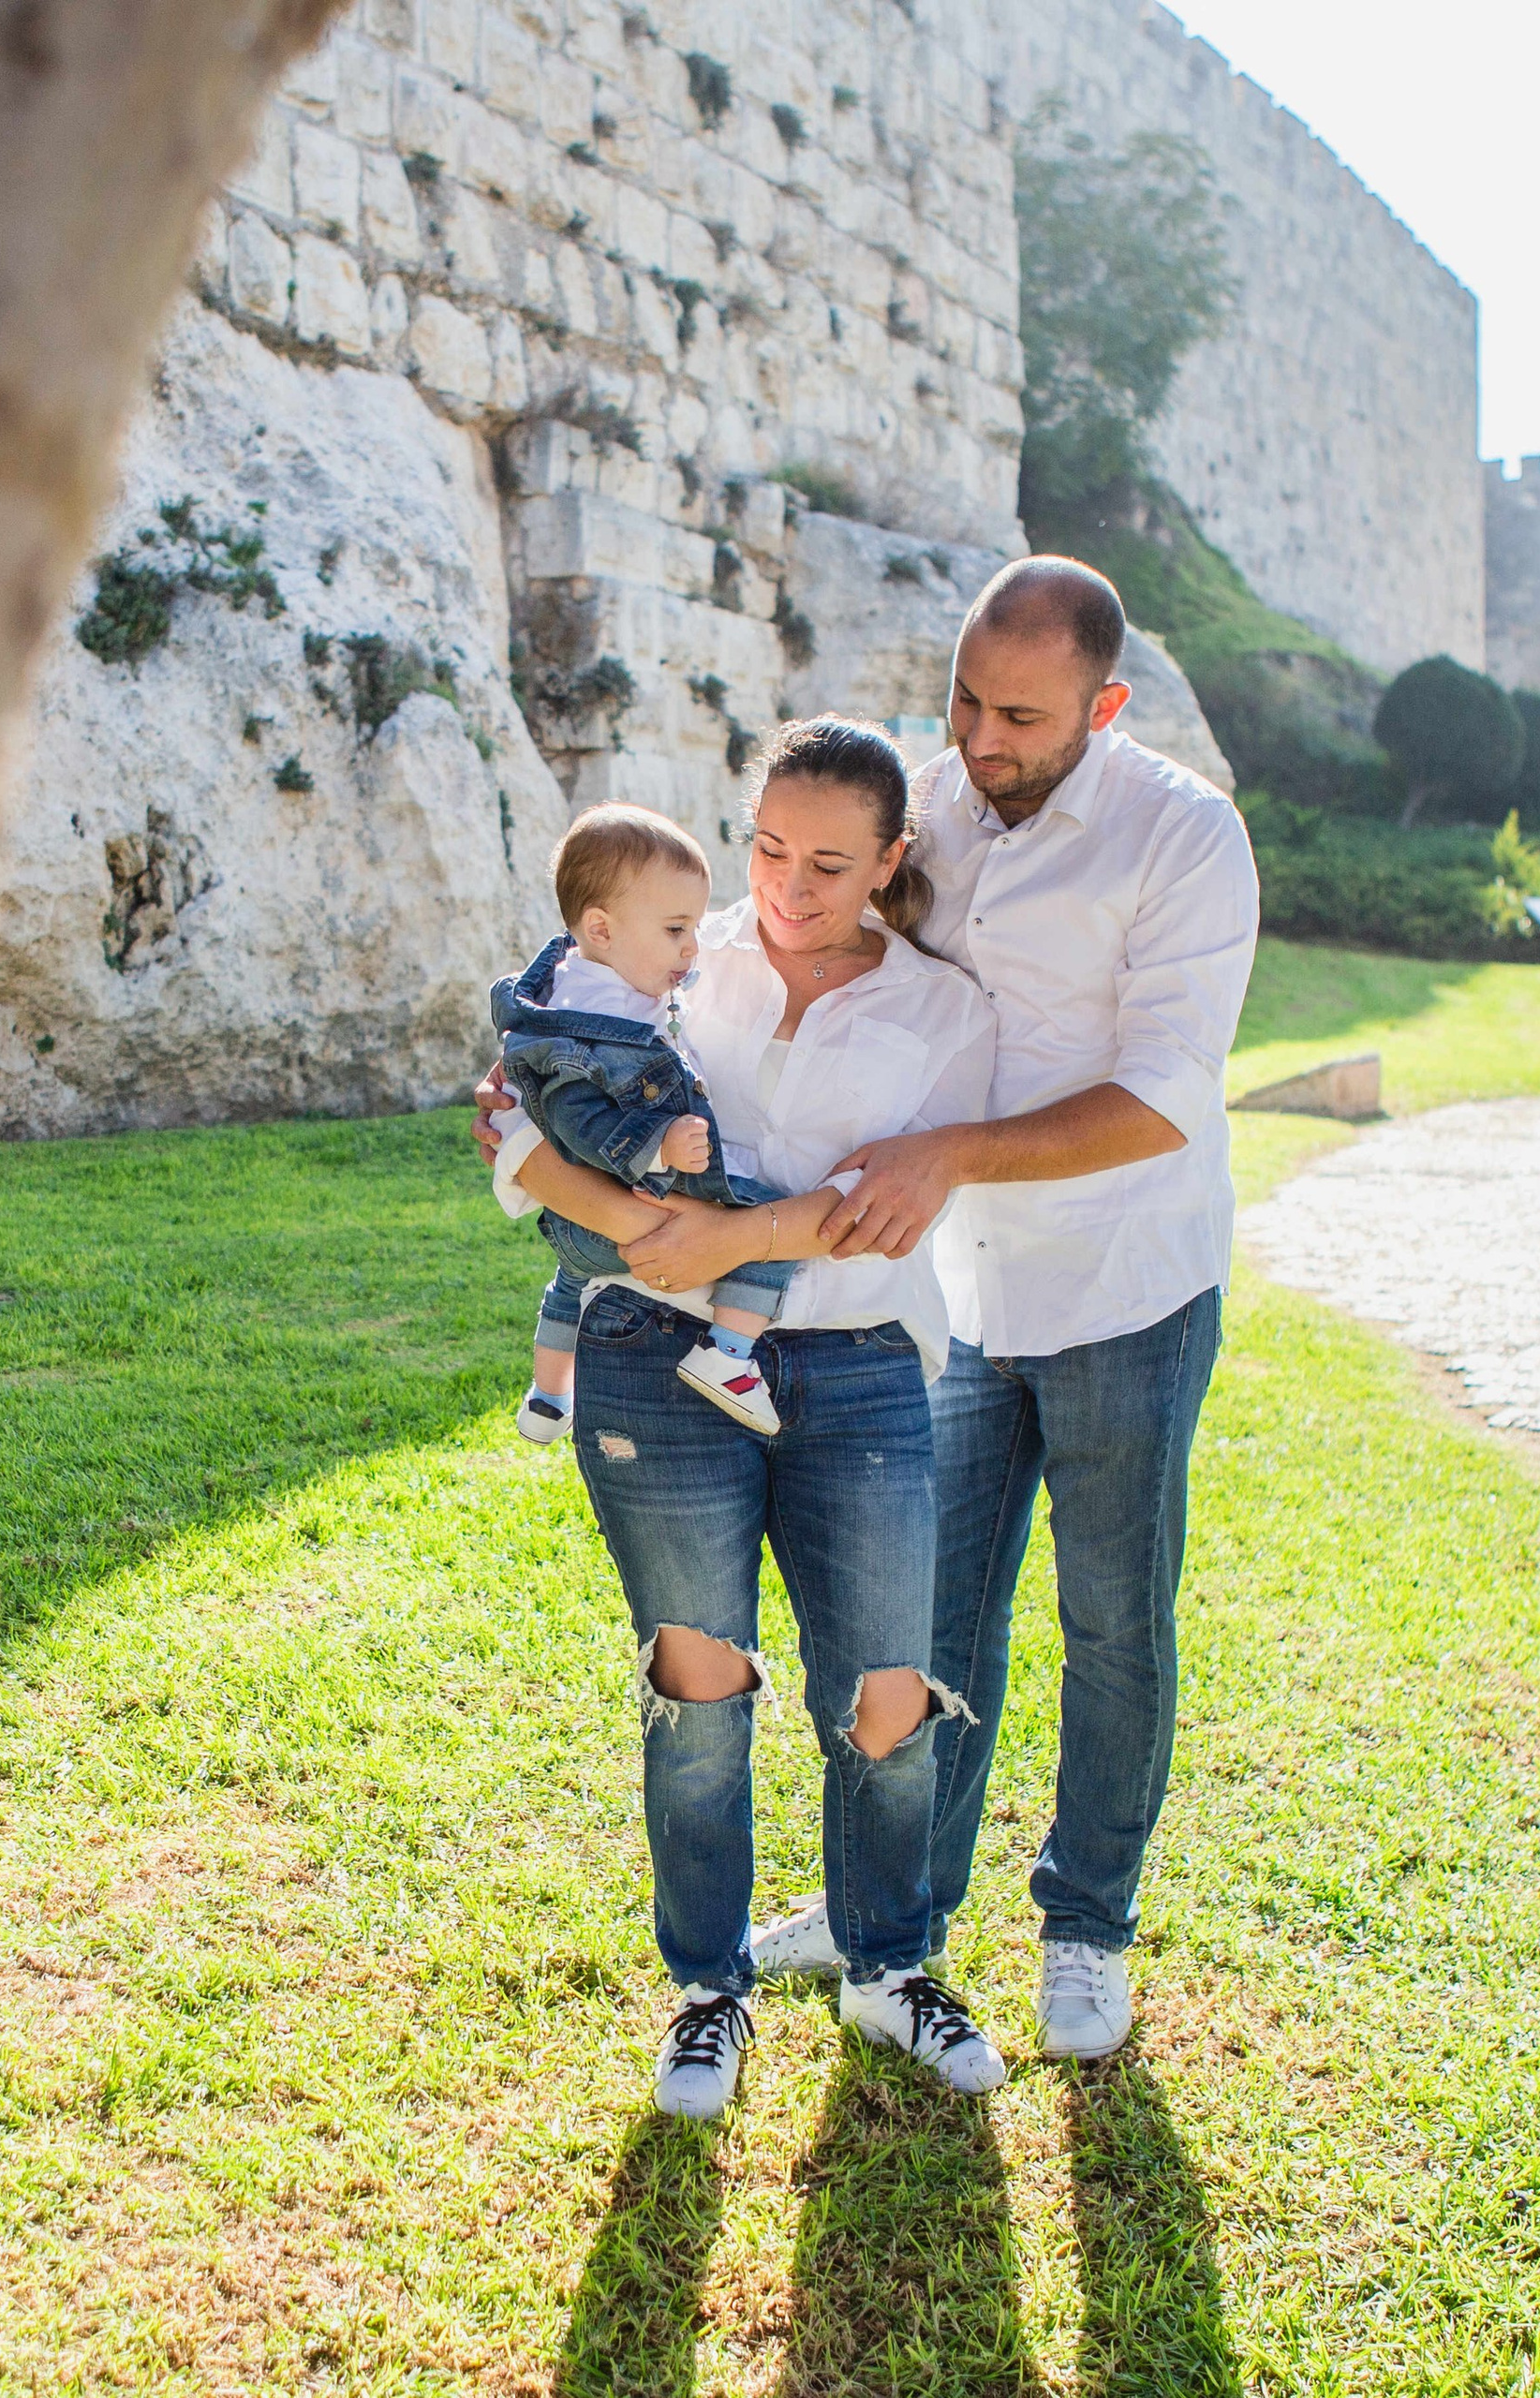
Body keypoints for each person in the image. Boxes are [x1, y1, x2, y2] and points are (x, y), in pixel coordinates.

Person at [733, 558, 1261, 2062]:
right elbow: (791, 914)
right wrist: (585, 1025)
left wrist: (952, 1151)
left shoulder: (1186, 836)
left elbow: (1163, 1097)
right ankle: (884, 1911)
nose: (978, 738)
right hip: (959, 1296)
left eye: (1020, 716)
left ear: (1107, 704)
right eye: (964, 699)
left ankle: (1087, 1925)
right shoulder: (933, 800)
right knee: (920, 1620)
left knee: (1114, 1625)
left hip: (1128, 1281)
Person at [483, 718, 1004, 2116]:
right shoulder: (662, 955)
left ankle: (888, 1965)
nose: (786, 886)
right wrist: (626, 1220)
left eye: (830, 864)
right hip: (653, 1360)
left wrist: (725, 1239)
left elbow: (887, 1204)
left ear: (891, 860)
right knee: (698, 1689)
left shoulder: (944, 1012)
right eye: (769, 849)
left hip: (862, 1368)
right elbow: (520, 1133)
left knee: (887, 1691)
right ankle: (709, 1988)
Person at [489, 804, 805, 1443]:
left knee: (570, 1285)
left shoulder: (587, 987)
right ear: (601, 929)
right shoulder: (596, 1020)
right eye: (675, 929)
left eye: (694, 927)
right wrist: (656, 1148)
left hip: (578, 1221)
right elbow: (575, 1116)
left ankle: (548, 1397)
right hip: (628, 1199)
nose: (692, 947)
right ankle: (728, 1355)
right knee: (772, 1226)